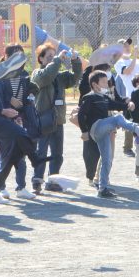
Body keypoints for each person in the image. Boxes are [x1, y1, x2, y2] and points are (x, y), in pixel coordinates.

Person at [0, 45, 49, 204]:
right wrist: (2, 111)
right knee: (22, 138)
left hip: (5, 119)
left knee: (13, 155)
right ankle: (35, 160)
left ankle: (0, 191)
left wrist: (14, 117)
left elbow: (6, 100)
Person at [78, 70, 139, 198]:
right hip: (96, 128)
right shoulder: (89, 97)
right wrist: (84, 131)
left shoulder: (104, 98)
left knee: (107, 160)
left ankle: (103, 189)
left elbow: (116, 105)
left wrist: (128, 105)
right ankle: (138, 129)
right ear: (95, 84)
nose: (107, 84)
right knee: (118, 118)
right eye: (104, 82)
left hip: (104, 131)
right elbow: (81, 114)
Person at [31, 44, 82, 194]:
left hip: (58, 120)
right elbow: (46, 77)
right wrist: (58, 61)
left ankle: (52, 181)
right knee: (41, 153)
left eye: (54, 56)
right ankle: (37, 182)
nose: (53, 59)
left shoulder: (60, 77)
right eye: (49, 57)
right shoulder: (37, 74)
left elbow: (74, 78)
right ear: (40, 59)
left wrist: (76, 60)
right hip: (43, 119)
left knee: (57, 154)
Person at [0, 44, 38, 199]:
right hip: (4, 118)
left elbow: (32, 88)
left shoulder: (24, 74)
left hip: (21, 118)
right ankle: (0, 187)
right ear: (7, 57)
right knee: (5, 153)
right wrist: (9, 101)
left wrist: (31, 95)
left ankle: (21, 188)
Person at [114, 38, 139, 157]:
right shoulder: (119, 62)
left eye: (128, 46)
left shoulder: (136, 61)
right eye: (124, 46)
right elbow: (127, 71)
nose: (128, 48)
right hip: (130, 96)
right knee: (130, 121)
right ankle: (127, 147)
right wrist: (136, 57)